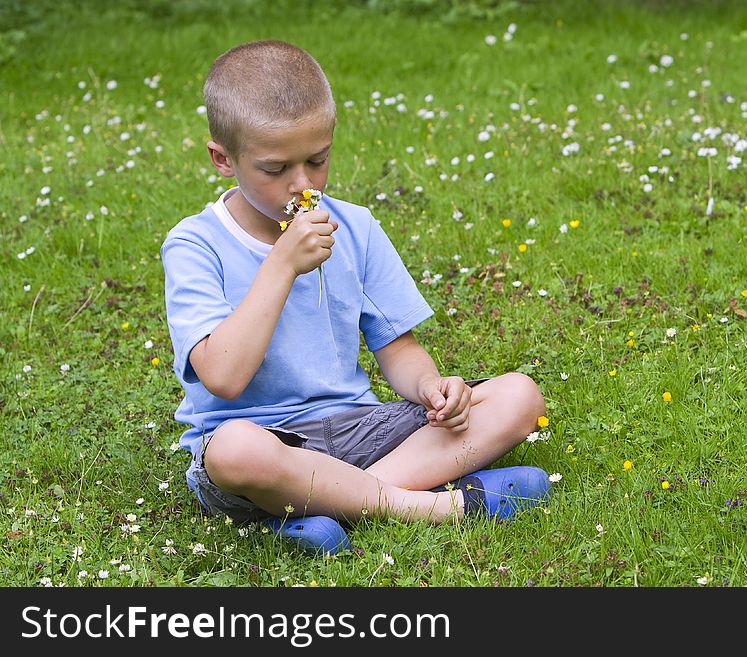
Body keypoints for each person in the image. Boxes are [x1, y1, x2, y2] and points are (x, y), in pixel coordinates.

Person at [161, 40, 550, 555]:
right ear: (222, 158)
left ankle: (327, 507)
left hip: (358, 428)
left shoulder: (355, 227)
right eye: (276, 170)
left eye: (317, 161)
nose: (303, 185)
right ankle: (430, 505)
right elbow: (224, 378)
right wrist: (280, 265)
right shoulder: (194, 244)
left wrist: (434, 388)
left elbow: (398, 349)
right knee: (235, 453)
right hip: (261, 440)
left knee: (518, 396)